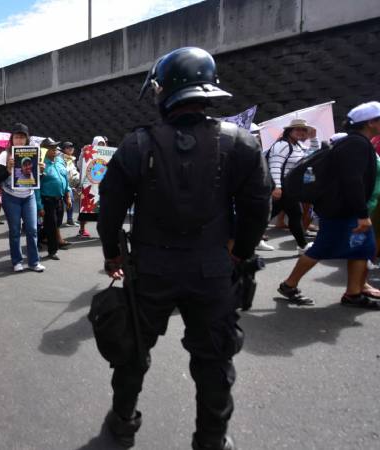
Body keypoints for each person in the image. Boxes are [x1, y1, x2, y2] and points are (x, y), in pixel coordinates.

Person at [97, 47, 270, 450]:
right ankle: (211, 440)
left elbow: (110, 208)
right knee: (213, 360)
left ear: (163, 91)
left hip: (152, 268)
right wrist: (239, 253)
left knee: (134, 350)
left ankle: (123, 420)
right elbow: (258, 206)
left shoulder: (137, 144)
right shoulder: (240, 142)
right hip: (213, 270)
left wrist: (112, 254)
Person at [278, 101, 380, 308]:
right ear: (371, 122)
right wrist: (362, 213)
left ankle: (353, 294)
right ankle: (289, 284)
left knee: (362, 248)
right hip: (342, 209)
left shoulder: (353, 142)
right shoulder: (356, 144)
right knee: (322, 247)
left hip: (342, 207)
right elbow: (352, 180)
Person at [0, 123, 45, 273]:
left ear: (27, 139)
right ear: (12, 139)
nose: (19, 141)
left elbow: (35, 179)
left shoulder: (33, 153)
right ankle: (17, 261)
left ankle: (34, 262)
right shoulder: (5, 155)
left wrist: (40, 171)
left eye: (22, 138)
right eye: (16, 137)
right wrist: (8, 170)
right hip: (11, 197)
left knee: (32, 229)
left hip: (28, 196)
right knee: (15, 231)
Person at [266, 118, 320, 253]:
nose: (301, 132)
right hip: (283, 186)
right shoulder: (282, 145)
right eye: (297, 129)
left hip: (290, 186)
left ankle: (250, 239)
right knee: (295, 214)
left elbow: (314, 154)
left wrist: (313, 138)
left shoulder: (298, 146)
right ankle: (302, 246)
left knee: (267, 214)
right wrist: (277, 187)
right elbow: (275, 166)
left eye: (304, 130)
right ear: (289, 131)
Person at [36, 137, 72, 260]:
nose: (55, 150)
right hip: (47, 199)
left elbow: (65, 180)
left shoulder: (60, 161)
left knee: (57, 223)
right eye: (51, 148)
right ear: (44, 150)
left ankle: (38, 238)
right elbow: (36, 187)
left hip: (59, 198)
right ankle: (52, 250)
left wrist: (68, 196)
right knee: (51, 225)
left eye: (55, 147)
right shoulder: (40, 164)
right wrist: (39, 206)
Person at [78, 136, 108, 238]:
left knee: (101, 209)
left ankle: (102, 230)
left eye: (102, 144)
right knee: (86, 208)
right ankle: (82, 229)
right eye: (99, 144)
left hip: (102, 184)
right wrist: (83, 153)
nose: (101, 146)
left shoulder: (107, 153)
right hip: (89, 184)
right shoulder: (87, 151)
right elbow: (80, 165)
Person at [60, 141, 81, 227]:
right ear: (64, 149)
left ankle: (69, 219)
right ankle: (66, 220)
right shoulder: (62, 158)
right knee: (67, 201)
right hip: (64, 184)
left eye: (72, 147)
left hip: (71, 184)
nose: (71, 149)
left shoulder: (72, 159)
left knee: (70, 201)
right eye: (68, 147)